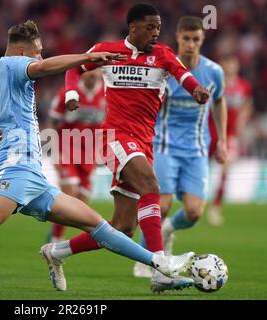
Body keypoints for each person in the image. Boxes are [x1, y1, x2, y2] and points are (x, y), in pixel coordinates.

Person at [0, 20, 195, 298]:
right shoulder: (15, 65)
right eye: (37, 51)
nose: (40, 57)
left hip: (31, 174)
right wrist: (87, 56)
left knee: (97, 224)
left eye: (42, 51)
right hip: (14, 166)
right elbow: (43, 68)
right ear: (20, 53)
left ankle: (159, 263)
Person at [40, 4, 210, 293]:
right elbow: (75, 68)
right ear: (133, 28)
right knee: (150, 185)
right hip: (113, 137)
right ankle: (161, 269)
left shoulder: (163, 55)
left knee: (122, 228)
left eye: (159, 27)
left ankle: (56, 252)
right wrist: (71, 93)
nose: (157, 32)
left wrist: (196, 89)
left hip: (143, 143)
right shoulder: (108, 49)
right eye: (151, 27)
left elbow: (183, 76)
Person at [133, 16, 227, 278]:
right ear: (177, 38)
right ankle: (147, 259)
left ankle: (168, 230)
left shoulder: (214, 72)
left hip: (197, 149)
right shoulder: (165, 70)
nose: (190, 44)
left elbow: (219, 101)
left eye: (195, 39)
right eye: (186, 38)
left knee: (195, 212)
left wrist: (221, 141)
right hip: (164, 146)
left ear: (202, 40)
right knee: (160, 206)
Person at [47, 70, 106, 242]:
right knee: (69, 194)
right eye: (89, 70)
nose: (93, 74)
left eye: (97, 70)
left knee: (82, 202)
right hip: (67, 148)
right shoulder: (67, 93)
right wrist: (52, 150)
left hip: (90, 153)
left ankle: (56, 232)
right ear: (81, 71)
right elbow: (52, 121)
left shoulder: (106, 93)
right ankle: (56, 239)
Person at [207, 54, 253, 226]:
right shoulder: (215, 84)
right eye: (227, 63)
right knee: (201, 169)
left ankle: (216, 207)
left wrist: (242, 122)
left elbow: (247, 105)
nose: (230, 67)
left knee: (225, 170)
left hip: (230, 135)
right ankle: (195, 201)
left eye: (233, 63)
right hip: (209, 133)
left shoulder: (243, 86)